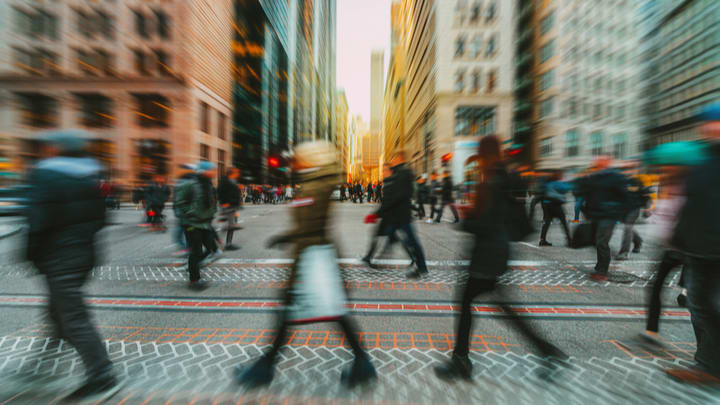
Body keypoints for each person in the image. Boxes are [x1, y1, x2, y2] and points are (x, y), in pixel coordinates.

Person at [236, 141, 376, 389]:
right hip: (316, 255)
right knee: (330, 311)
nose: (295, 161)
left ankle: (265, 367)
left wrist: (287, 237)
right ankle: (363, 363)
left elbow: (308, 226)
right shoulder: (316, 182)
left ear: (312, 159)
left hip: (313, 259)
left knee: (295, 311)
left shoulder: (315, 186)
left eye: (299, 157)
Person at [433, 135, 564, 382]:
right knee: (503, 308)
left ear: (484, 155)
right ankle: (547, 351)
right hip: (497, 253)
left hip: (487, 256)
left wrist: (467, 217)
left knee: (467, 305)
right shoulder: (501, 177)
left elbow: (484, 224)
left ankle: (461, 361)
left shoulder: (490, 183)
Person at [25, 130, 121, 402]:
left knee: (74, 317)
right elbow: (103, 217)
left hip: (57, 255)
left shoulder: (44, 174)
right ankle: (45, 358)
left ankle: (102, 376)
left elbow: (38, 220)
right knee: (59, 309)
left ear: (55, 148)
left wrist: (32, 254)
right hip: (85, 253)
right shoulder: (93, 174)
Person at [665, 103, 720, 383]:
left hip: (715, 249)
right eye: (709, 123)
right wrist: (678, 237)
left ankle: (711, 366)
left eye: (717, 122)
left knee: (711, 306)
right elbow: (692, 205)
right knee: (698, 305)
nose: (712, 127)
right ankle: (707, 365)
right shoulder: (700, 161)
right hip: (698, 249)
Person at [374, 152, 429, 279]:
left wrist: (380, 212)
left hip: (402, 216)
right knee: (394, 236)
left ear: (399, 159)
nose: (392, 162)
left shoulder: (403, 173)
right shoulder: (401, 172)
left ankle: (422, 268)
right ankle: (381, 257)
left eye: (393, 159)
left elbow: (398, 196)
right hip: (398, 215)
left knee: (412, 241)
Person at [575, 156, 629, 282]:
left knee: (601, 241)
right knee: (596, 241)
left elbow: (625, 196)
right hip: (595, 214)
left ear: (607, 162)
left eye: (601, 160)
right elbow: (583, 191)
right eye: (597, 161)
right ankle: (601, 265)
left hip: (609, 215)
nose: (598, 162)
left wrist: (619, 212)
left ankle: (602, 271)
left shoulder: (615, 177)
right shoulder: (594, 176)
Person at [175, 161, 221, 291]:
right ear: (203, 171)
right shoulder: (189, 184)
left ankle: (191, 266)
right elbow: (179, 203)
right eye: (211, 170)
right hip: (192, 224)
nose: (213, 172)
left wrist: (212, 212)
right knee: (196, 252)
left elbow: (212, 202)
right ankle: (194, 280)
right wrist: (191, 213)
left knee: (212, 248)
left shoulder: (209, 185)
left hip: (205, 223)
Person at [616, 163, 649, 260]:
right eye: (624, 170)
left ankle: (624, 252)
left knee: (627, 227)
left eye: (629, 170)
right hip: (622, 210)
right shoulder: (619, 182)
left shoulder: (637, 181)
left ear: (633, 171)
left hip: (634, 209)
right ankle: (638, 241)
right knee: (629, 228)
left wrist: (646, 208)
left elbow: (646, 196)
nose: (626, 172)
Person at [538, 172, 573, 247]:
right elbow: (566, 188)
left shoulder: (548, 184)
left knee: (547, 222)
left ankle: (542, 240)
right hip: (555, 205)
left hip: (547, 204)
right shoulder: (556, 183)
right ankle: (569, 240)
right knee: (563, 222)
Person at [172, 164, 197, 255]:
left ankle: (188, 248)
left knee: (185, 231)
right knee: (181, 232)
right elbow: (176, 198)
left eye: (184, 169)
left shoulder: (189, 181)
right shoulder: (181, 180)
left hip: (186, 212)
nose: (181, 170)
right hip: (183, 211)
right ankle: (188, 247)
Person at [217, 167, 242, 251]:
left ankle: (227, 243)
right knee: (230, 226)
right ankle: (220, 244)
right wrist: (225, 205)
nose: (238, 174)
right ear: (232, 173)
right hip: (228, 207)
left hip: (232, 207)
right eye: (237, 172)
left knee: (231, 226)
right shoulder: (224, 181)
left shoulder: (233, 181)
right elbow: (220, 193)